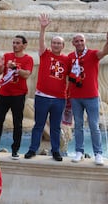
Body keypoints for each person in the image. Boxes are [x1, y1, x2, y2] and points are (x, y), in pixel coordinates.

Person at [24, 14, 70, 162]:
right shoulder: (45, 55)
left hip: (59, 98)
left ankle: (55, 151)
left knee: (56, 127)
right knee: (38, 125)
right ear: (51, 45)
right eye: (54, 43)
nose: (56, 45)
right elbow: (41, 42)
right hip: (42, 96)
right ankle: (32, 149)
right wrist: (43, 28)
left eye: (59, 43)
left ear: (63, 46)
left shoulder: (67, 60)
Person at [68, 32, 108, 165]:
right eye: (76, 41)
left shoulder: (93, 54)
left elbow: (104, 53)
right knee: (78, 125)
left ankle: (98, 154)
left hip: (91, 96)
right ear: (73, 43)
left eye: (81, 40)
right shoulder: (71, 57)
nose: (79, 43)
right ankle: (79, 151)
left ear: (85, 41)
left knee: (94, 125)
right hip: (75, 96)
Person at [0, 35, 34, 159]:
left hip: (18, 95)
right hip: (3, 93)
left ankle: (15, 150)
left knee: (17, 123)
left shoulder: (28, 59)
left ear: (24, 45)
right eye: (13, 42)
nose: (15, 45)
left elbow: (26, 74)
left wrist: (15, 68)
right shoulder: (7, 56)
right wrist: (0, 65)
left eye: (18, 43)